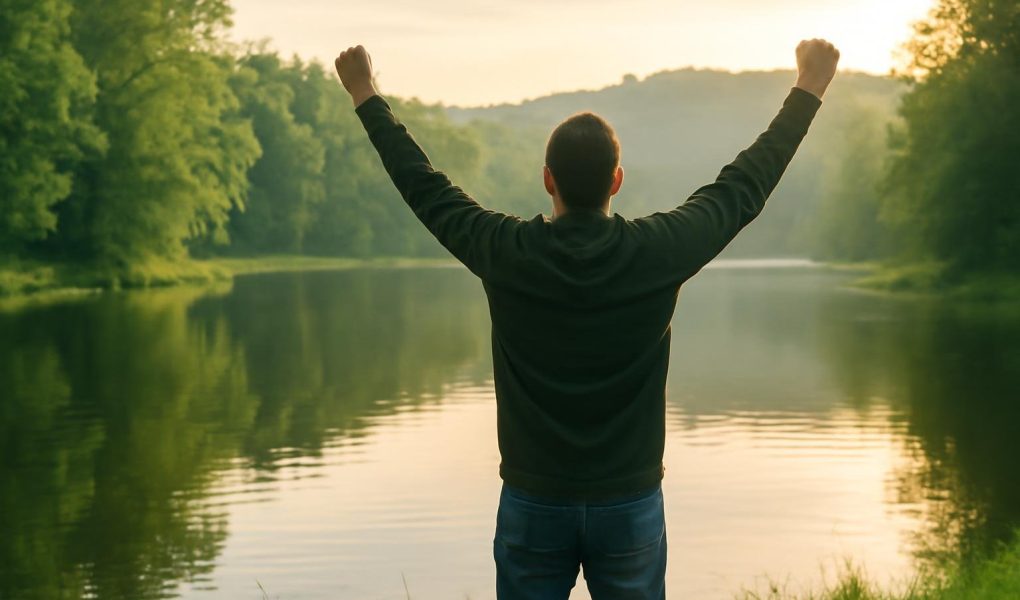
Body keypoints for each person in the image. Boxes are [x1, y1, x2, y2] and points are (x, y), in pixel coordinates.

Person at [335, 39, 839, 600]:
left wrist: (364, 93)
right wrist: (809, 86)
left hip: (533, 502)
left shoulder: (505, 251)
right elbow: (744, 186)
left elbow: (423, 186)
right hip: (629, 504)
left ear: (548, 179)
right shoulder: (657, 251)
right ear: (616, 180)